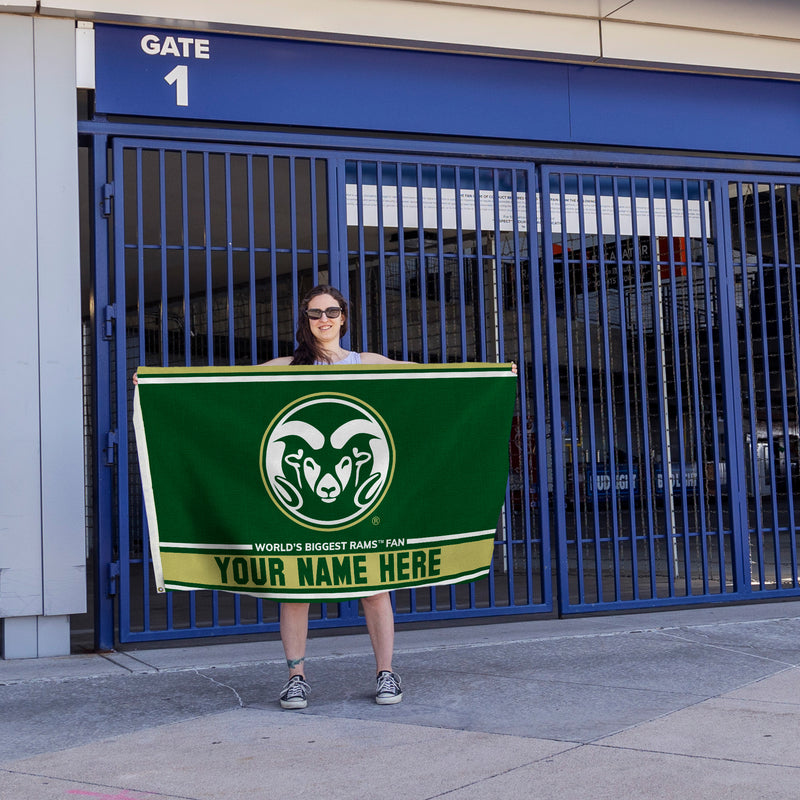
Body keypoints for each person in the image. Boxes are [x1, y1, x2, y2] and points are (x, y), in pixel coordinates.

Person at [264, 284, 405, 710]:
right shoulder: (288, 366)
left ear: (344, 316)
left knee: (375, 584)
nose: (323, 319)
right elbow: (222, 385)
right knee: (295, 586)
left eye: (331, 311)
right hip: (304, 499)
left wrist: (490, 374)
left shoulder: (369, 363)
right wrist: (162, 383)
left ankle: (387, 673)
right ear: (304, 320)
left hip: (356, 496)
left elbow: (430, 378)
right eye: (314, 313)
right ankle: (296, 678)